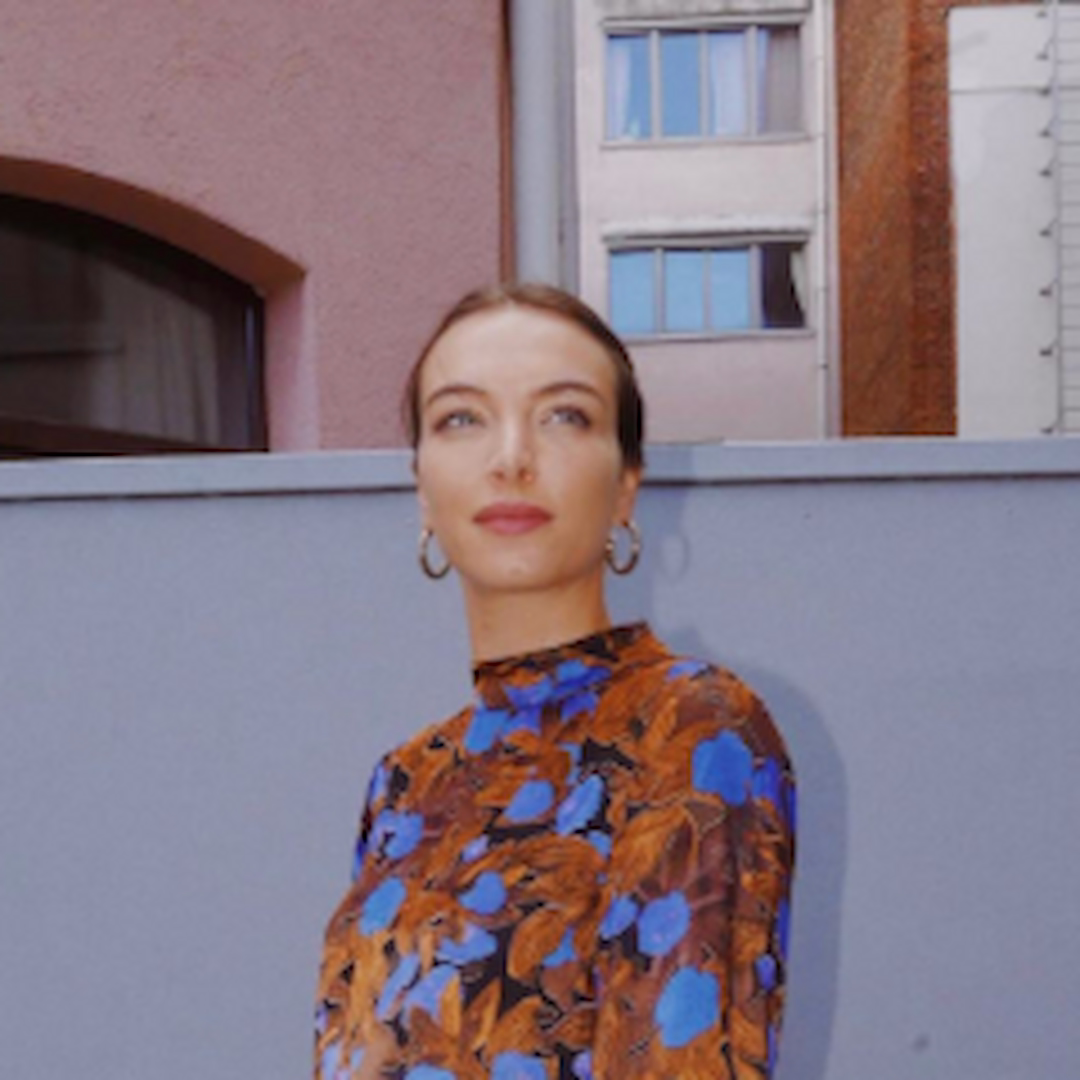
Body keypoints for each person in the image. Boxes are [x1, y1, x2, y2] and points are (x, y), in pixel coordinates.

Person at [314, 284, 795, 1080]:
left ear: (627, 484)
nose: (510, 457)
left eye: (563, 415)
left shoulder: (695, 730)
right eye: (461, 418)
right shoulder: (403, 781)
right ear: (422, 490)